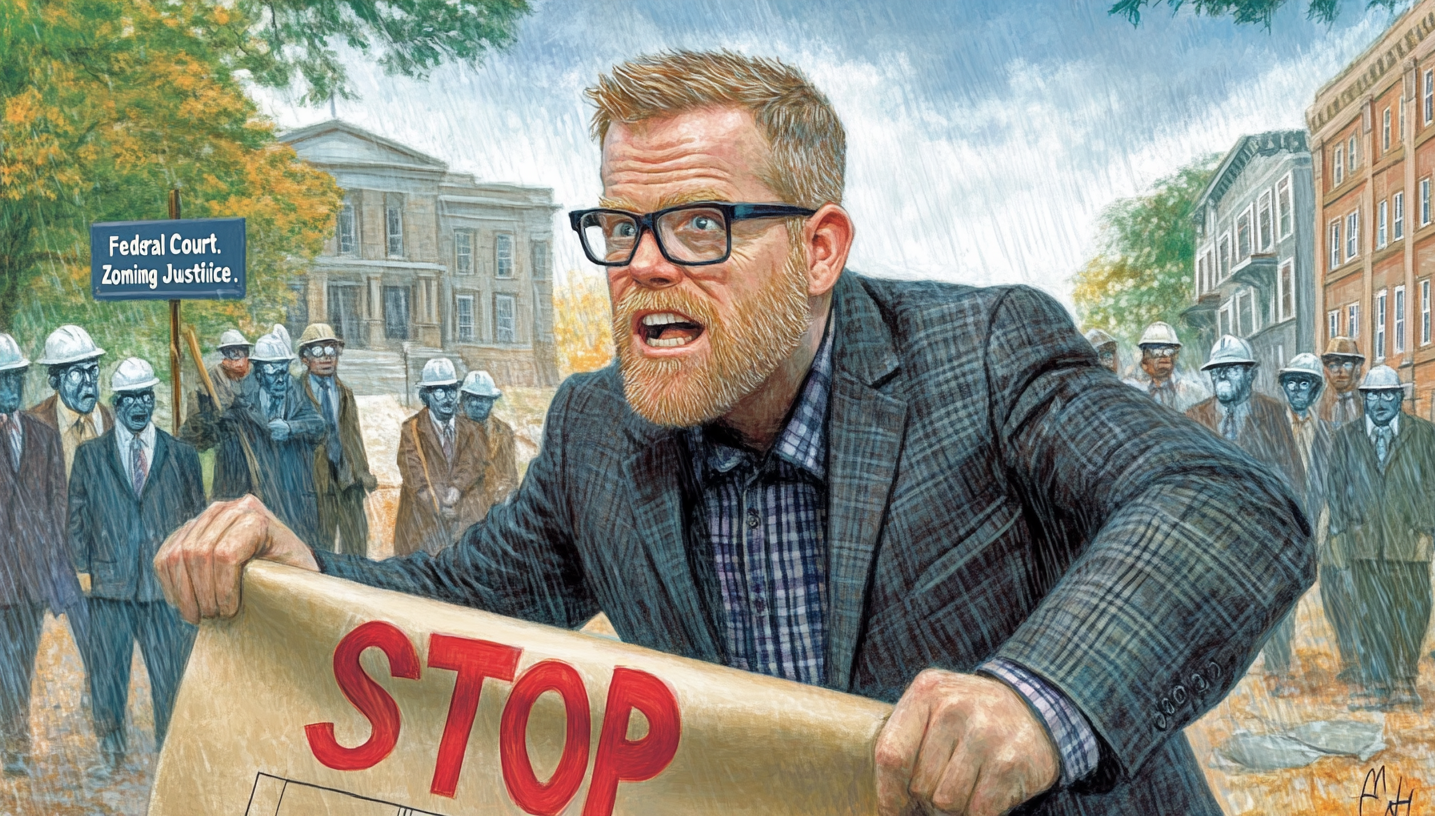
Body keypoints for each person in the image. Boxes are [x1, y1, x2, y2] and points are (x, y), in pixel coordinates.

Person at [156, 50, 1312, 816]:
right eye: (619, 227)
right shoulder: (595, 431)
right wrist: (309, 580)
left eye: (698, 224)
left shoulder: (984, 353)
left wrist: (1033, 699)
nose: (644, 264)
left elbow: (1227, 505)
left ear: (817, 251)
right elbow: (456, 606)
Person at [68, 358, 204, 771]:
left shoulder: (182, 456)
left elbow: (196, 522)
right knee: (108, 675)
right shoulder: (91, 456)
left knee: (169, 675)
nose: (140, 406)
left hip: (164, 588)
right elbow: (76, 519)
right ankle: (111, 751)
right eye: (130, 399)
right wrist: (86, 570)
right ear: (117, 403)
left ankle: (169, 752)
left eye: (146, 396)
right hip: (110, 587)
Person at [1186, 336, 1305, 696]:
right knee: (1211, 601)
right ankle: (1210, 676)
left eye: (1231, 370)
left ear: (1250, 376)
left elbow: (1291, 472)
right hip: (1212, 528)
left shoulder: (1271, 413)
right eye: (1217, 370)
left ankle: (1280, 670)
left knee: (1273, 598)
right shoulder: (1195, 416)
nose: (1222, 376)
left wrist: (1289, 522)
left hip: (1261, 527)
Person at [1327, 365, 1435, 711]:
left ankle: (1405, 680)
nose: (1379, 402)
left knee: (1412, 611)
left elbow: (1434, 486)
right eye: (1372, 395)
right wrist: (1343, 532)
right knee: (1369, 614)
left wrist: (1423, 529)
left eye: (1387, 394)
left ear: (1399, 397)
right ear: (1363, 398)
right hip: (1364, 545)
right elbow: (1336, 490)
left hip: (1408, 543)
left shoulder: (1423, 434)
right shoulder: (1345, 437)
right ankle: (1376, 683)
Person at [0, 334, 87, 777]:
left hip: (31, 577)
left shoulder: (42, 433)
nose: (10, 388)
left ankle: (14, 744)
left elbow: (57, 508)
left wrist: (58, 573)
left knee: (22, 664)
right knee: (2, 667)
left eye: (15, 377)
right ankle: (10, 743)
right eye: (2, 379)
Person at [211, 325, 326, 549]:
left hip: (296, 497)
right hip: (258, 497)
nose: (281, 379)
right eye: (274, 373)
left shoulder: (296, 392)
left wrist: (291, 427)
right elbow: (227, 462)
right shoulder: (241, 400)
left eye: (284, 371)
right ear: (260, 371)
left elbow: (319, 426)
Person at [1279, 354, 1355, 682]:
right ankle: (1278, 667)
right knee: (1281, 598)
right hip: (1282, 526)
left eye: (1306, 383)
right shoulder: (1272, 429)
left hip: (1323, 521)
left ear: (1315, 390)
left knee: (1341, 591)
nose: (1298, 389)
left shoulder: (1330, 434)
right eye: (1292, 382)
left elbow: (1340, 481)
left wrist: (1332, 522)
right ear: (1284, 387)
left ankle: (1352, 658)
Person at [393, 360, 504, 557]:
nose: (447, 398)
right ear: (426, 396)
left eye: (452, 390)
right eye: (439, 391)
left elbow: (473, 465)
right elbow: (414, 475)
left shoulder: (471, 429)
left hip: (459, 528)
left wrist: (456, 489)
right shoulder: (411, 429)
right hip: (422, 527)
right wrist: (439, 504)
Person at [296, 324, 376, 557]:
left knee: (356, 545)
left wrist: (362, 473)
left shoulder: (344, 393)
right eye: (318, 352)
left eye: (331, 351)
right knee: (321, 547)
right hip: (314, 483)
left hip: (348, 480)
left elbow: (354, 438)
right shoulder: (296, 392)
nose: (326, 358)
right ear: (305, 358)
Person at [26, 324, 113, 479]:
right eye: (76, 373)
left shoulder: (112, 420)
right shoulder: (34, 424)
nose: (88, 381)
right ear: (54, 381)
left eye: (93, 370)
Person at [178, 329, 252, 456]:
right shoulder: (210, 381)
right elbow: (194, 431)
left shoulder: (256, 376)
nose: (240, 359)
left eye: (243, 352)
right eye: (233, 353)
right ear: (224, 358)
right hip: (227, 450)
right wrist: (216, 424)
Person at [459, 369, 518, 507]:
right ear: (464, 399)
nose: (477, 404)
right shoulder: (452, 430)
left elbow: (510, 475)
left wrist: (505, 492)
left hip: (494, 509)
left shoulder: (503, 431)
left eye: (483, 399)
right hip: (463, 511)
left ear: (492, 401)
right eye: (472, 398)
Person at [1123, 321, 1208, 412]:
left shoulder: (1192, 392)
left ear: (1175, 356)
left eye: (1169, 351)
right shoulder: (1134, 391)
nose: (1163, 357)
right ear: (1145, 357)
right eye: (1156, 352)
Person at [1318, 336, 1365, 427]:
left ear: (1357, 369)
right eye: (1333, 365)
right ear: (1327, 370)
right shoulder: (1319, 402)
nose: (1340, 371)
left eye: (1347, 365)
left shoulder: (1365, 399)